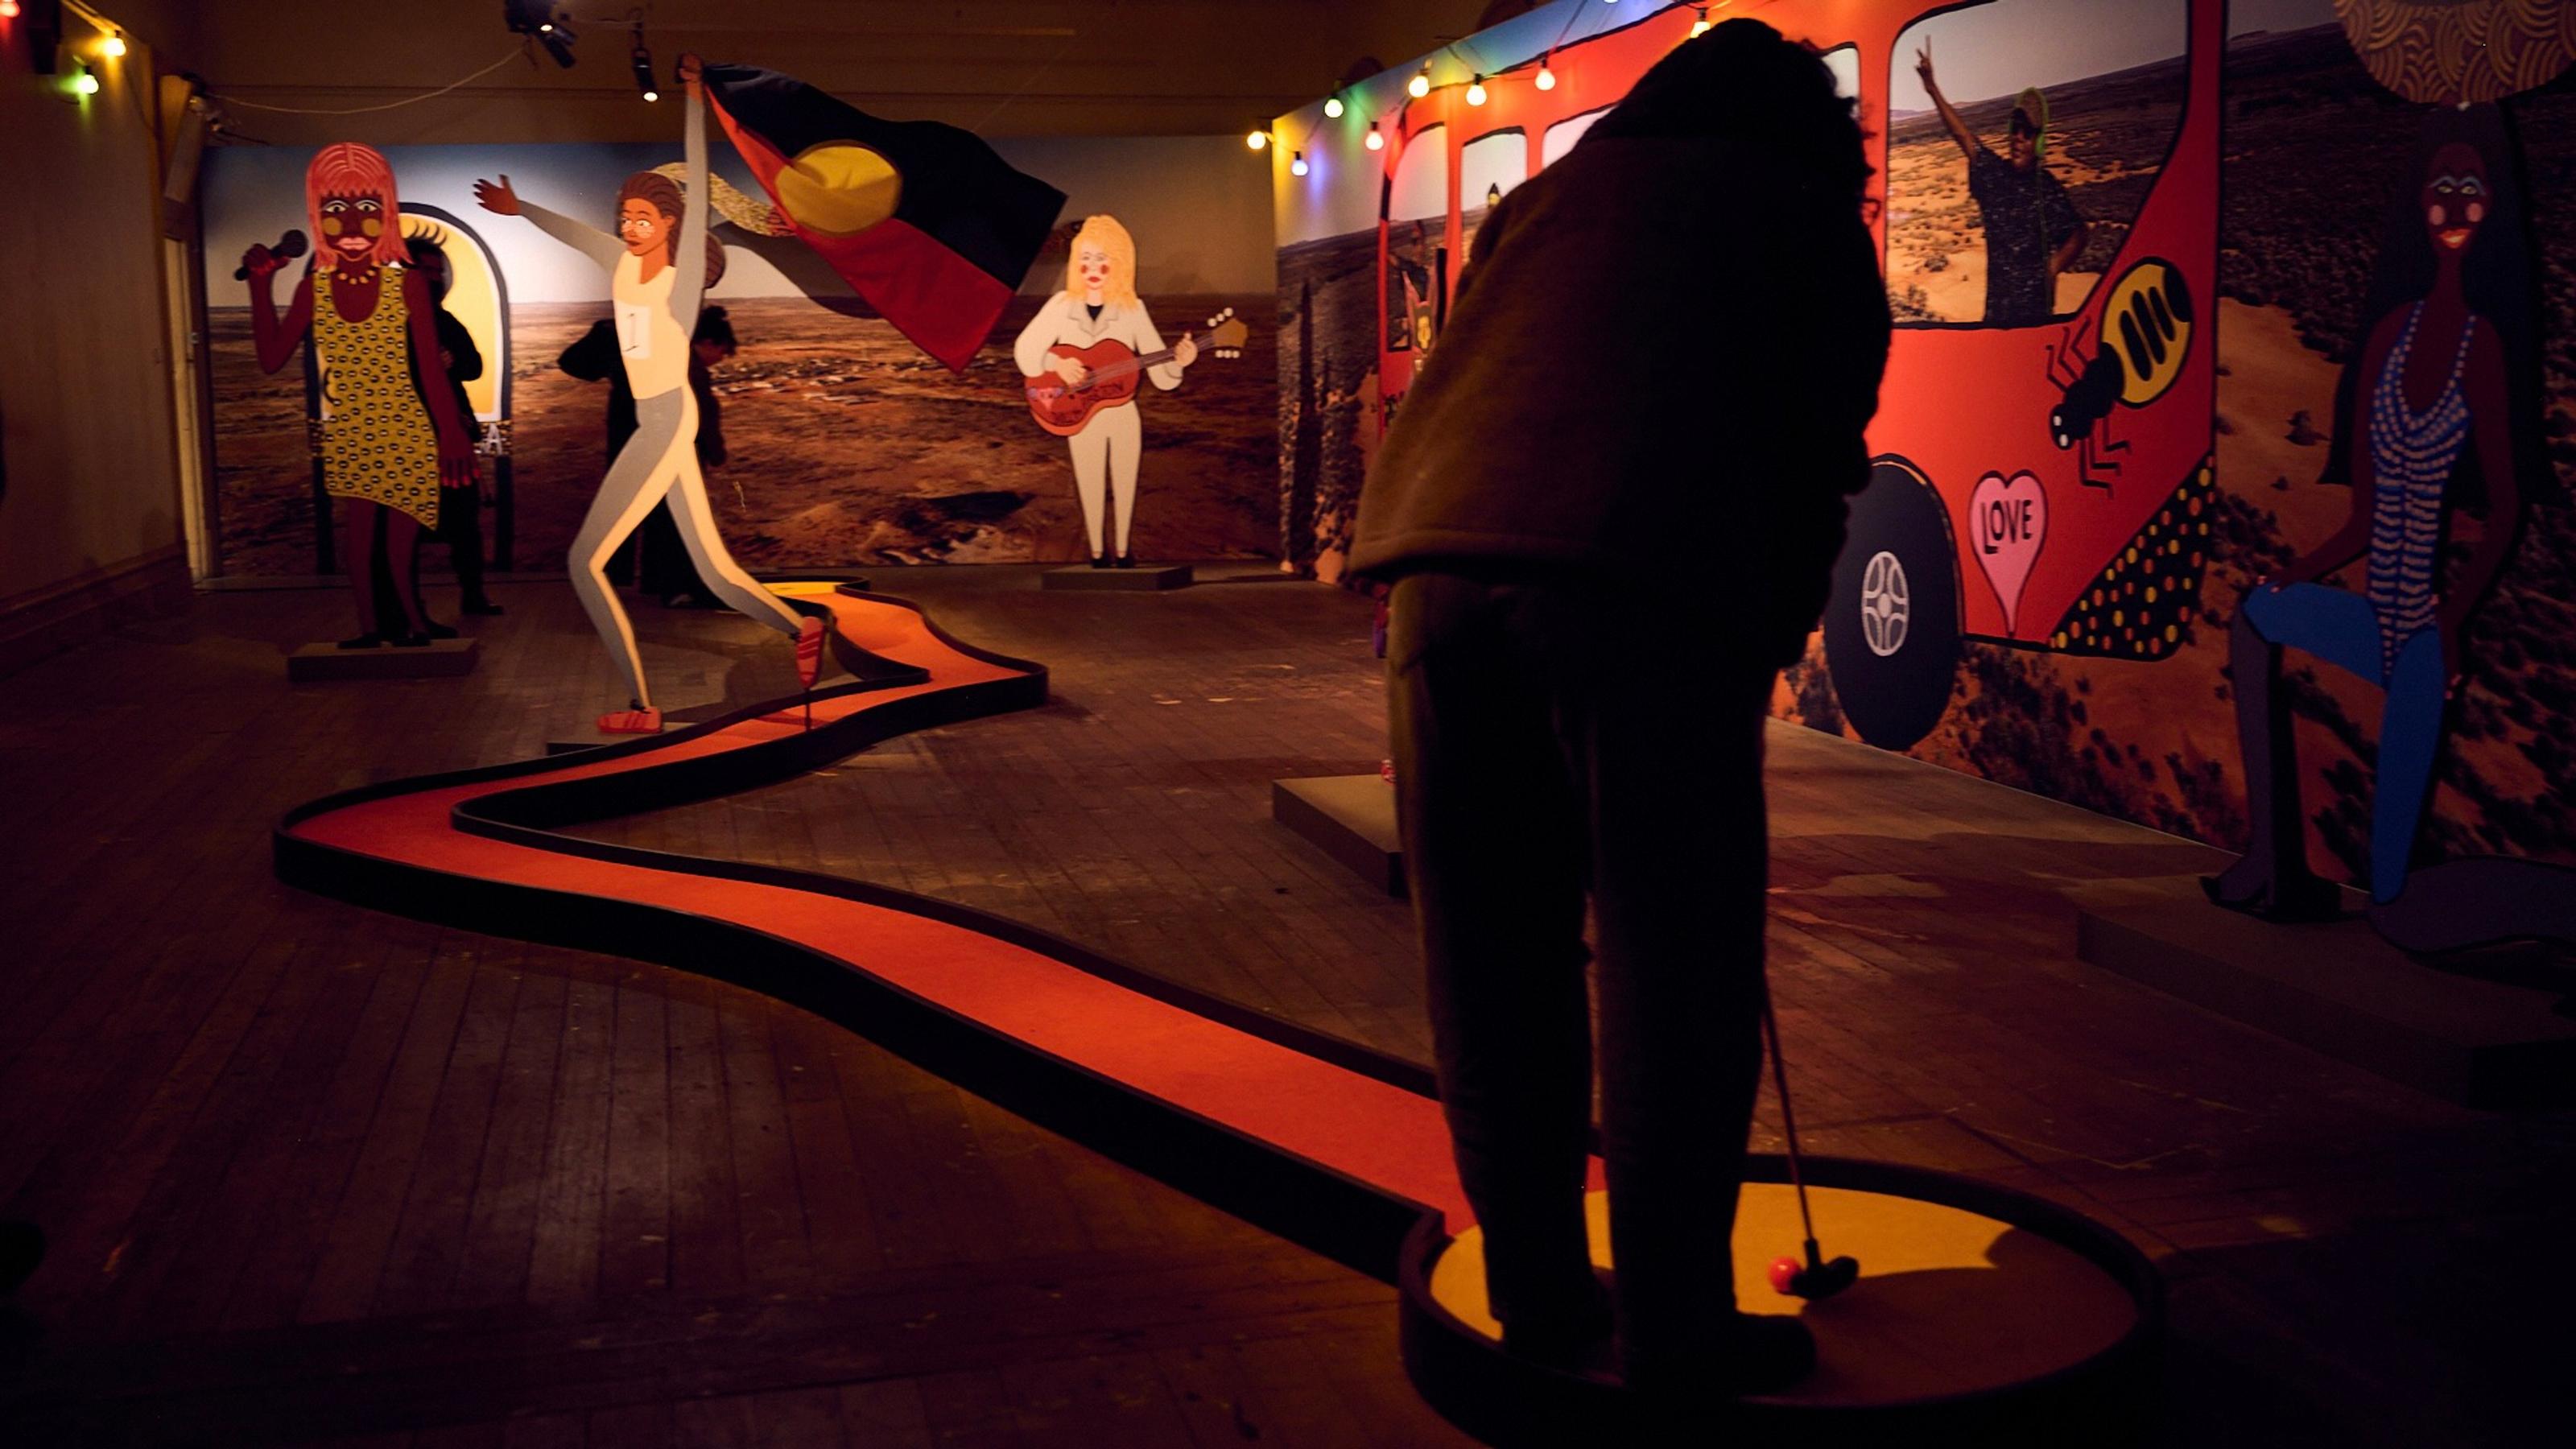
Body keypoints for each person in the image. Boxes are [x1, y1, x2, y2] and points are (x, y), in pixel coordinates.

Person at [1350, 19, 1889, 1397]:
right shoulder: (1796, 209)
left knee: (1495, 964)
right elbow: (1820, 452)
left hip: (1434, 587)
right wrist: (1760, 635)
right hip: (1639, 589)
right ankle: (1674, 1333)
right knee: (1675, 970)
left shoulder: (1541, 201)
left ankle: (1541, 1296)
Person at [2205, 105, 2537, 924]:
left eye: (2470, 191)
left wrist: (2452, 620)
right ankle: (2272, 863)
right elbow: (2358, 523)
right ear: (2417, 203)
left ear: (2490, 206)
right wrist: (2291, 576)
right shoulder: (2387, 335)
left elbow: (2503, 511)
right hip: (2365, 619)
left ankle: (2544, 913)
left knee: (2391, 902)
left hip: (2421, 638)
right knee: (2253, 617)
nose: (2453, 207)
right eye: (2439, 190)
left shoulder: (2483, 348)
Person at [476, 53, 819, 733]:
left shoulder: (680, 277)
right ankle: (800, 626)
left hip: (663, 419)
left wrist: (694, 99)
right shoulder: (622, 265)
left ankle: (642, 706)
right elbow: (575, 235)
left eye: (642, 217)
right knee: (714, 570)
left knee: (584, 561)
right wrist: (522, 210)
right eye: (624, 215)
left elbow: (695, 166)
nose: (629, 225)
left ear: (671, 224)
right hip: (658, 417)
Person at [242, 144, 476, 648]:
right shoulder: (313, 292)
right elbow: (270, 357)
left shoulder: (408, 285)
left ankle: (413, 623)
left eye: (367, 211)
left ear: (386, 215)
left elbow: (433, 371)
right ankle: (371, 628)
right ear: (317, 217)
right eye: (334, 212)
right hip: (351, 430)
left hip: (405, 427)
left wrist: (451, 433)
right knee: (360, 536)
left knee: (400, 537)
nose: (350, 226)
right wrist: (261, 290)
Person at [1013, 214, 1197, 567]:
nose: (1093, 268)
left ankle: (1124, 551)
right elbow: (1026, 350)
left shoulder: (1132, 310)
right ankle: (1097, 551)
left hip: (1122, 410)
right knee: (1089, 478)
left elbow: (1161, 373)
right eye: (1086, 258)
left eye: (1103, 259)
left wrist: (1179, 363)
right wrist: (1056, 364)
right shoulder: (1061, 306)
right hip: (1078, 411)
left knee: (1126, 479)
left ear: (1120, 264)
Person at [1915, 40, 2087, 328]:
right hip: (1996, 317)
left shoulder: (2047, 188)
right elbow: (1964, 137)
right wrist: (1932, 89)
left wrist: (2053, 267)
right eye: (2015, 130)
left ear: (2039, 141)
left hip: (2036, 320)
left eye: (2028, 133)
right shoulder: (1994, 174)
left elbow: (2079, 234)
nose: (2018, 138)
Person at [400, 235, 502, 617]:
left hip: (452, 439)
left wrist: (451, 360)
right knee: (405, 529)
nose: (433, 279)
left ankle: (474, 596)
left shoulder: (445, 321)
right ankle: (410, 608)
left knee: (465, 524)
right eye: (424, 271)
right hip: (408, 444)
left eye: (437, 272)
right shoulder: (391, 327)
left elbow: (474, 366)